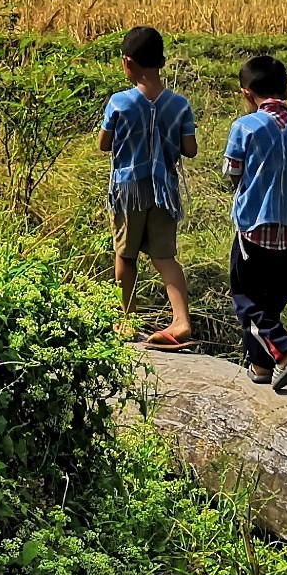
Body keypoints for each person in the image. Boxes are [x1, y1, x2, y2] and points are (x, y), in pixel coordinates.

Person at [220, 53, 287, 389]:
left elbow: (232, 172)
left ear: (246, 93)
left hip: (254, 226)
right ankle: (262, 366)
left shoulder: (244, 127)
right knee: (272, 299)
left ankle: (285, 348)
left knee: (245, 298)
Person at [99, 26, 198, 350]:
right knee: (165, 256)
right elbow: (190, 148)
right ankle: (181, 320)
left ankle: (126, 319)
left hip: (129, 188)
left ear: (127, 63)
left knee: (125, 255)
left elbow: (104, 144)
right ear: (162, 62)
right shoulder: (179, 104)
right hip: (164, 190)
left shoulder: (119, 102)